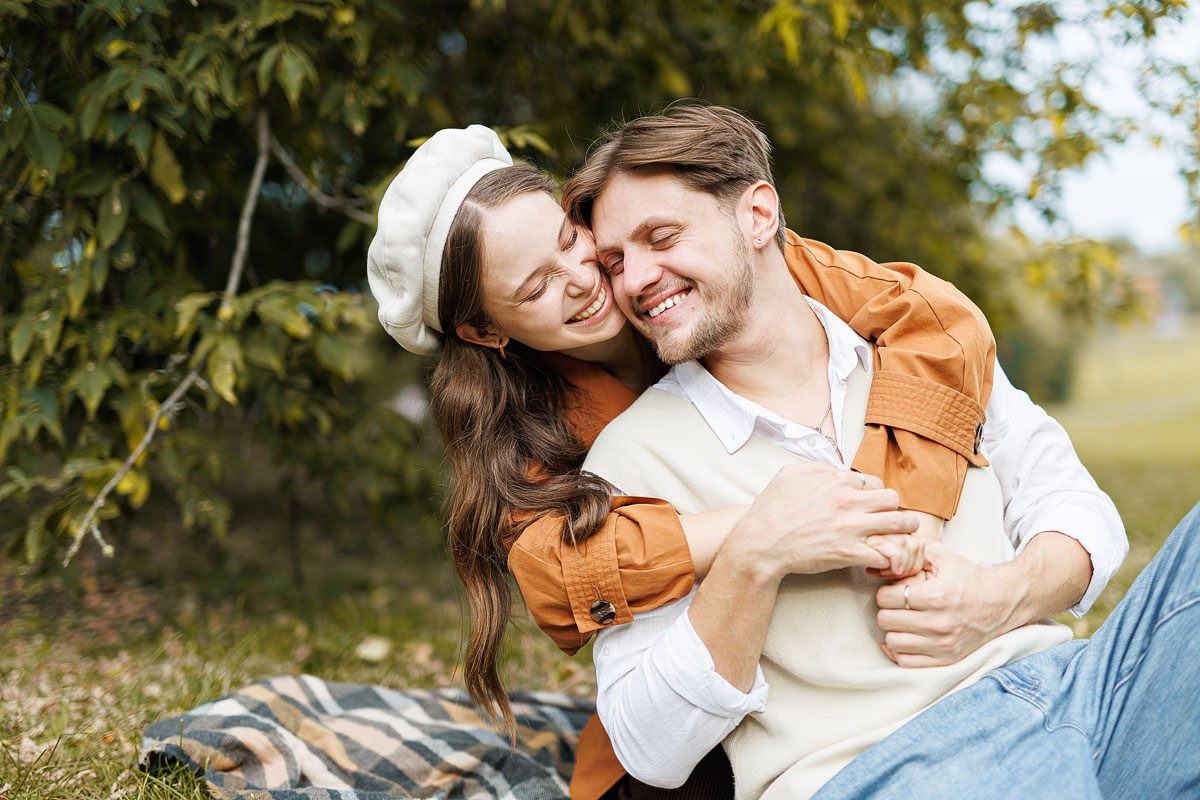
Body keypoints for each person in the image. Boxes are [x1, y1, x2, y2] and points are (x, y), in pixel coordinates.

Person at [364, 124, 1105, 799]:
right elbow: (572, 579)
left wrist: (916, 522)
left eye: (571, 239)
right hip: (716, 744)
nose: (590, 279)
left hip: (996, 684)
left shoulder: (777, 284)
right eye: (535, 286)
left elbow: (928, 321)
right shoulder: (544, 441)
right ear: (486, 329)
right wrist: (764, 530)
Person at [563, 104, 1198, 799]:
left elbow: (1078, 509)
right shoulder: (633, 456)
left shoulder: (925, 348)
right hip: (885, 766)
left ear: (756, 216)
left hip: (1080, 697)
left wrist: (1000, 596)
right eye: (617, 261)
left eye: (662, 237)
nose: (634, 279)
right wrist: (753, 555)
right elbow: (647, 747)